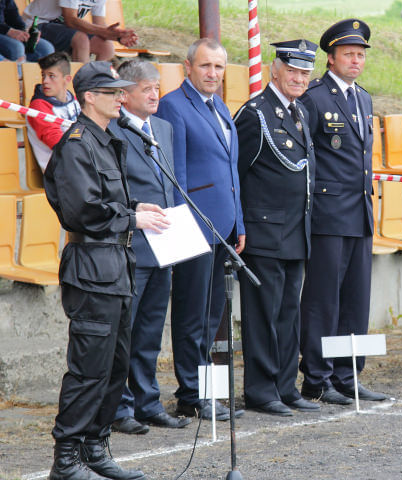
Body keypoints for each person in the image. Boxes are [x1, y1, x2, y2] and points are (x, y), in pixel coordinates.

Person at [44, 61, 169, 480]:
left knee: (116, 366)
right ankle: (66, 458)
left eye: (121, 91)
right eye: (112, 91)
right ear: (89, 97)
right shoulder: (77, 144)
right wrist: (132, 217)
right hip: (91, 268)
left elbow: (111, 200)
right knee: (88, 368)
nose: (122, 97)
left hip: (116, 265)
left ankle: (95, 448)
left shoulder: (107, 139)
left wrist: (138, 209)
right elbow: (83, 211)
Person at [297, 19, 387, 404]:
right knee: (323, 300)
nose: (356, 60)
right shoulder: (315, 97)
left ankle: (347, 373)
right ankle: (317, 379)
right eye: (348, 54)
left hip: (358, 212)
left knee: (354, 300)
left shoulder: (362, 98)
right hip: (328, 214)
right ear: (330, 59)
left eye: (360, 54)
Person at [155, 38, 245, 421]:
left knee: (212, 317)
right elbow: (176, 175)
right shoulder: (175, 106)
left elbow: (230, 172)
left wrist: (238, 221)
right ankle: (191, 395)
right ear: (187, 67)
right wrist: (183, 226)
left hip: (223, 227)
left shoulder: (220, 106)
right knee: (192, 316)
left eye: (219, 68)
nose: (213, 74)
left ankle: (206, 393)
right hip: (193, 228)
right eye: (206, 66)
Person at [233, 39, 321, 416]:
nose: (299, 78)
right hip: (264, 234)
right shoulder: (256, 113)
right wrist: (238, 226)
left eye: (305, 72)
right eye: (293, 70)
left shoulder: (300, 111)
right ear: (275, 69)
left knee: (288, 314)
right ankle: (261, 390)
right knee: (263, 315)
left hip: (294, 232)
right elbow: (236, 174)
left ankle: (286, 386)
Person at [108, 60, 191, 434]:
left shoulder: (163, 128)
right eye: (146, 89)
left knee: (150, 331)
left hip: (163, 244)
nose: (155, 94)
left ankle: (147, 401)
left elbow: (169, 185)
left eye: (157, 87)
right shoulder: (112, 131)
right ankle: (120, 406)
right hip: (130, 245)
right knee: (125, 330)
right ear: (124, 94)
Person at [23, 0, 137, 62]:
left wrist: (117, 36)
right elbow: (71, 20)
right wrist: (106, 32)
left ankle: (98, 89)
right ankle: (81, 90)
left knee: (106, 47)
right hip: (37, 24)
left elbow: (100, 25)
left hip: (64, 30)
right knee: (81, 39)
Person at [26, 52, 80, 171]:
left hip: (78, 164)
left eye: (51, 76)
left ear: (67, 79)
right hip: (59, 171)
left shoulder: (74, 100)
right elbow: (57, 142)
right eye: (43, 75)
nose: (45, 81)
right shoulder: (38, 106)